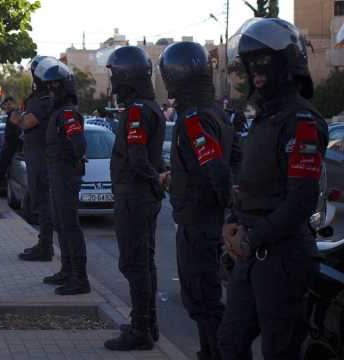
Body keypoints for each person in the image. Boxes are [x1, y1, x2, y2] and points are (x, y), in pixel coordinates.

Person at [218, 18, 328, 360]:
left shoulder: (302, 122)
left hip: (282, 256)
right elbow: (254, 182)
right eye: (251, 65)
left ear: (287, 63)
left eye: (264, 62)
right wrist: (234, 220)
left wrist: (253, 239)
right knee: (230, 343)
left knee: (279, 351)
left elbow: (300, 201)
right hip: (253, 252)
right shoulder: (265, 118)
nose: (256, 73)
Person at [159, 41, 237, 360]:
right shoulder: (215, 112)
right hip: (202, 219)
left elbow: (217, 171)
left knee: (202, 298)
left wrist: (224, 215)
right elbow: (231, 161)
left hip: (199, 223)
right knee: (201, 297)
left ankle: (214, 353)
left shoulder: (194, 119)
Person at [103, 46, 168, 351]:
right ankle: (148, 323)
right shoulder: (148, 106)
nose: (112, 80)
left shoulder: (138, 110)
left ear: (126, 75)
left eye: (115, 74)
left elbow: (138, 156)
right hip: (141, 196)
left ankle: (141, 328)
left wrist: (154, 178)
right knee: (145, 262)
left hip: (134, 196)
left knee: (134, 263)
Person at [36, 57, 90, 295]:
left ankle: (79, 278)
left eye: (55, 85)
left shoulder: (67, 113)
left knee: (69, 226)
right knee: (61, 224)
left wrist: (72, 161)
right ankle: (67, 271)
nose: (51, 90)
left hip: (65, 174)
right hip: (57, 173)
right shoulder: (59, 112)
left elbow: (77, 143)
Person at [10, 56, 55, 262]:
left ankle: (46, 247)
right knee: (37, 201)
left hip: (40, 155)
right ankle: (43, 243)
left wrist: (16, 117)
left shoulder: (44, 99)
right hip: (35, 154)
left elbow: (27, 122)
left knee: (43, 202)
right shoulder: (42, 97)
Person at [0, 97, 21, 197]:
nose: (8, 106)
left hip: (11, 146)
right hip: (9, 145)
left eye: (10, 103)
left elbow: (16, 129)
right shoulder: (11, 114)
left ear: (14, 104)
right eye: (6, 104)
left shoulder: (14, 113)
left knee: (1, 168)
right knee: (1, 168)